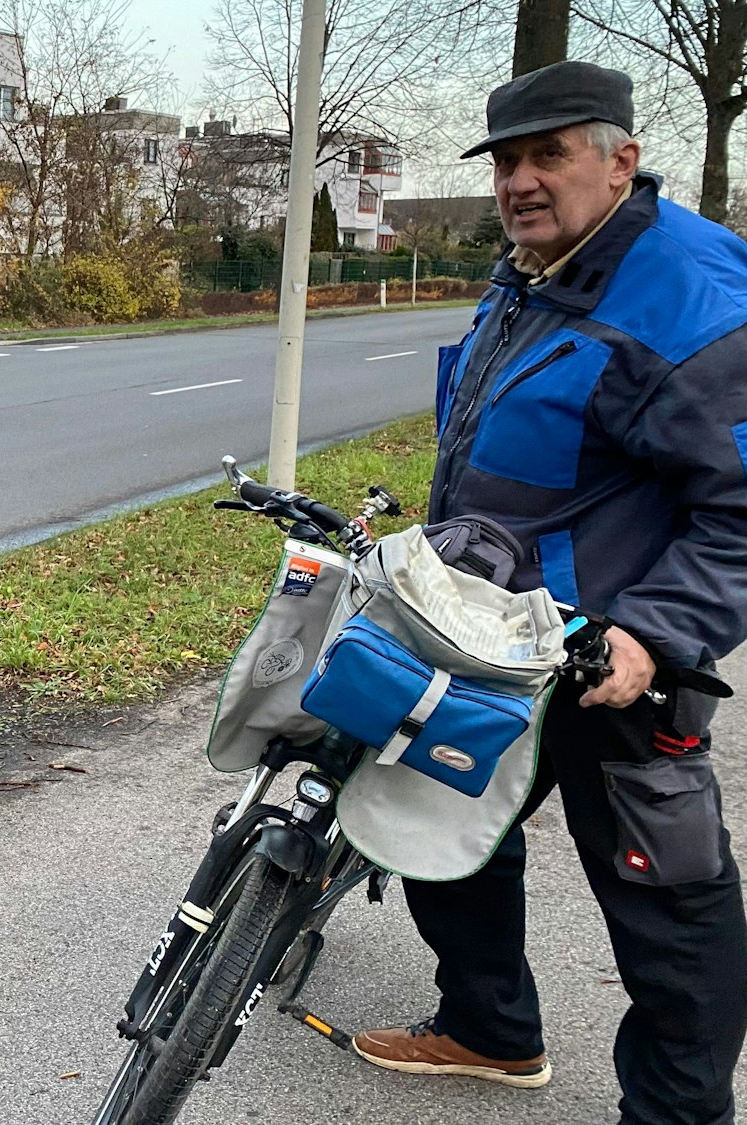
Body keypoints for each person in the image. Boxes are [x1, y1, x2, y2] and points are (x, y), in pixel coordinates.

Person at [351, 60, 747, 1124]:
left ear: (619, 159)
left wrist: (653, 637)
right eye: (506, 161)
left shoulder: (693, 298)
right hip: (490, 635)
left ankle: (675, 1115)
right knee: (430, 811)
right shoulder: (534, 265)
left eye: (548, 154)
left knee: (665, 898)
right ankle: (487, 1029)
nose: (519, 181)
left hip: (605, 655)